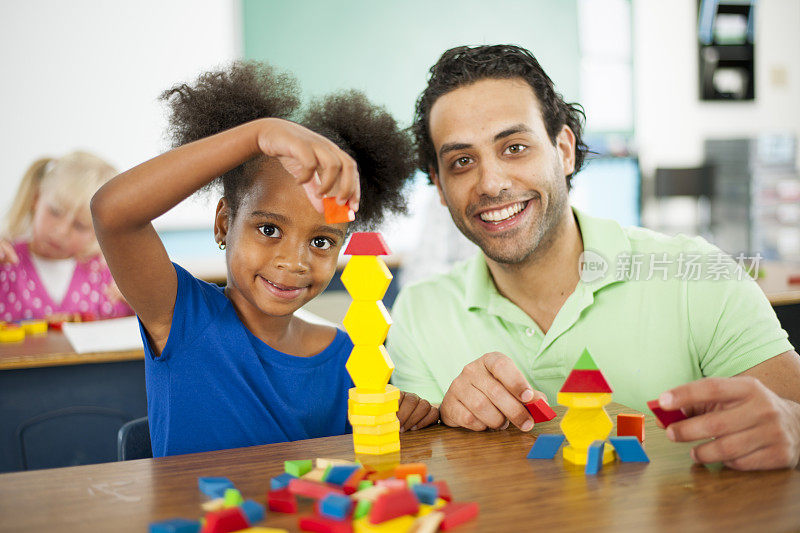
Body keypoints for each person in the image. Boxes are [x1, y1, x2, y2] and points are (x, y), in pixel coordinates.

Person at [387, 44, 800, 470]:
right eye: (461, 161)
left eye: (514, 147)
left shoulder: (697, 275)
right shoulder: (418, 315)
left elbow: (791, 407)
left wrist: (794, 425)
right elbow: (426, 473)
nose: (490, 183)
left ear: (564, 149)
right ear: (438, 185)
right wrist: (448, 420)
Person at [91, 61, 439, 457]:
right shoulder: (181, 317)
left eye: (322, 241)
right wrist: (259, 135)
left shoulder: (347, 356)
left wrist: (405, 420)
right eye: (269, 230)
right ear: (224, 223)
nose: (294, 262)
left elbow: (353, 472)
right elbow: (111, 212)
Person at [0, 151, 132, 322]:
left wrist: (134, 301)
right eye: (55, 212)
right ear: (36, 198)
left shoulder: (103, 277)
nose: (61, 231)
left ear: (99, 231)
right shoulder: (5, 264)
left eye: (80, 226)